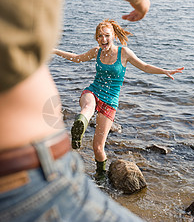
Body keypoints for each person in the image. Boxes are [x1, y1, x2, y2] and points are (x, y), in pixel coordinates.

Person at [0, 0, 150, 221]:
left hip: (104, 102)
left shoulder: (120, 52)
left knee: (96, 134)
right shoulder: (99, 51)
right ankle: (85, 133)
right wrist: (140, 1)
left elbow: (142, 65)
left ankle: (92, 150)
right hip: (20, 172)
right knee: (90, 111)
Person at [53, 19, 184, 178]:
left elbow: (145, 67)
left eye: (106, 35)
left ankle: (100, 176)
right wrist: (55, 51)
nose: (103, 39)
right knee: (87, 107)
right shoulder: (97, 51)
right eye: (99, 36)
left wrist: (165, 71)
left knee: (98, 147)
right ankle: (78, 129)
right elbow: (76, 58)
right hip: (93, 91)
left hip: (110, 102)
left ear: (114, 36)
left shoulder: (124, 53)